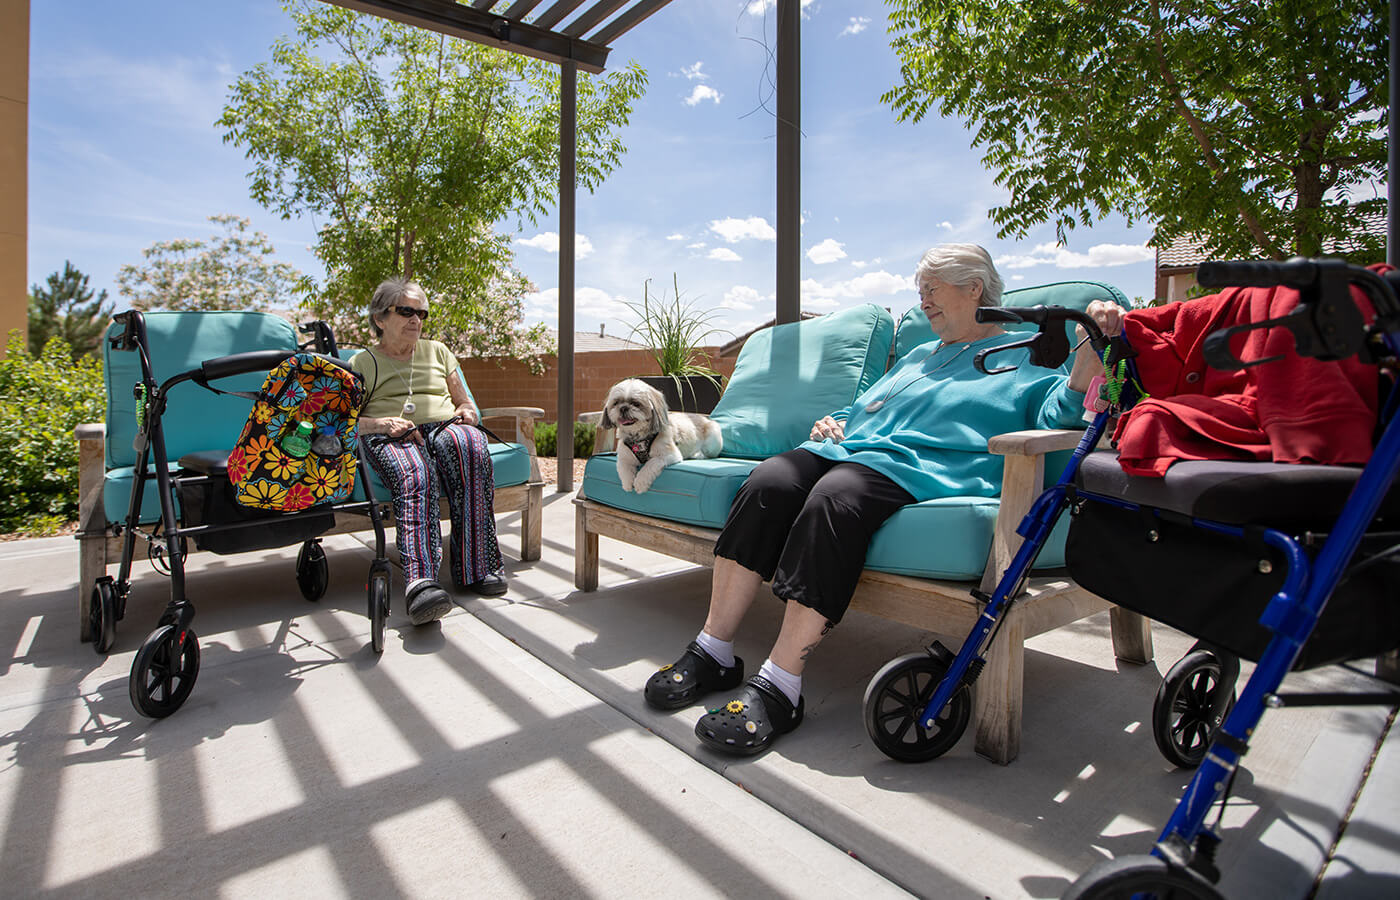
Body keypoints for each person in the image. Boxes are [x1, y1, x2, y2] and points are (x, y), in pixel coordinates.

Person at [644, 243, 1126, 755]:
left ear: (974, 288)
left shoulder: (1023, 354)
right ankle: (713, 651)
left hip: (918, 467)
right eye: (921, 293)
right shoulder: (920, 354)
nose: (924, 303)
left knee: (834, 498)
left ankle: (780, 685)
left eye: (932, 291)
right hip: (850, 449)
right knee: (768, 480)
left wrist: (1091, 350)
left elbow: (1061, 415)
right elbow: (868, 407)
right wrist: (840, 422)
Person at [350, 278, 508, 627]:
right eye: (406, 311)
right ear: (379, 318)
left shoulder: (438, 351)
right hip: (392, 432)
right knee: (415, 473)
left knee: (469, 444)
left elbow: (463, 399)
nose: (416, 320)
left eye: (421, 313)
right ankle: (421, 585)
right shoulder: (363, 362)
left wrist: (467, 411)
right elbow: (348, 420)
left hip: (442, 425)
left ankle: (477, 567)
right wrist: (382, 425)